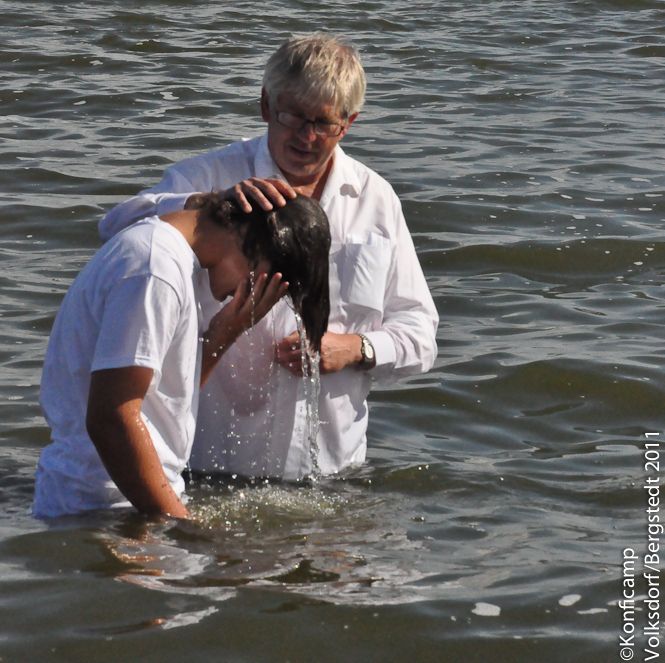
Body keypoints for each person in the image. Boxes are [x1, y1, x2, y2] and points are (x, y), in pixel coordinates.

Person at [98, 33, 439, 481]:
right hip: (204, 465)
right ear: (265, 105)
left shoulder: (375, 199)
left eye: (324, 122)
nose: (307, 136)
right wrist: (209, 205)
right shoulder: (211, 174)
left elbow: (420, 334)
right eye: (293, 115)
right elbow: (116, 228)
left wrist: (357, 348)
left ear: (348, 123)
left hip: (331, 474)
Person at [33, 193, 331, 518]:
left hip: (123, 501)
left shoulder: (168, 258)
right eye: (266, 282)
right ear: (252, 243)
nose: (251, 293)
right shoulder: (155, 269)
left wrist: (226, 331)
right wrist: (178, 523)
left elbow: (163, 400)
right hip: (105, 508)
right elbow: (111, 417)